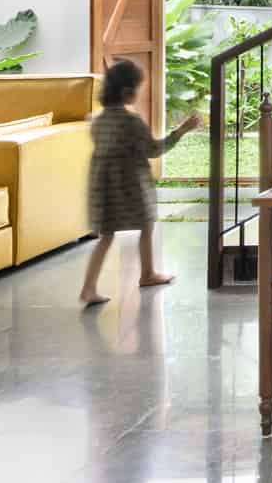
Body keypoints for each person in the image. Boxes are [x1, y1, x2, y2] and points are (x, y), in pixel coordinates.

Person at [79, 59, 201, 305]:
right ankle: (148, 273)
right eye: (138, 88)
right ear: (127, 92)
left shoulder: (96, 120)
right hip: (130, 185)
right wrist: (182, 130)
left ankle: (88, 287)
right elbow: (154, 149)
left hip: (103, 188)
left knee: (106, 236)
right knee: (146, 224)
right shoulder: (131, 122)